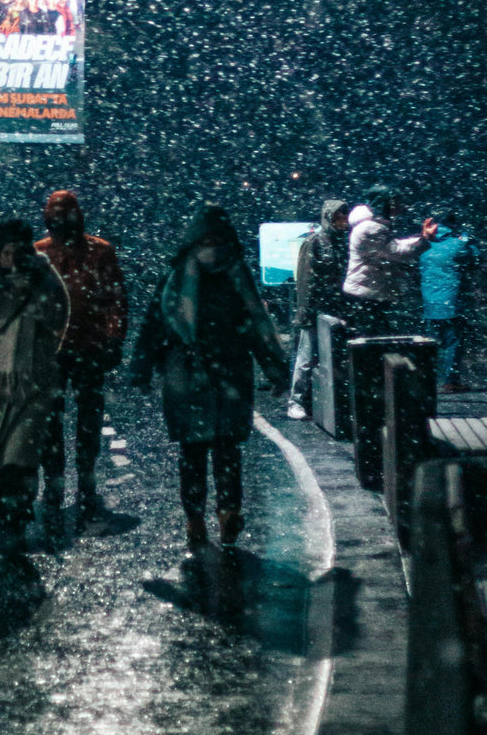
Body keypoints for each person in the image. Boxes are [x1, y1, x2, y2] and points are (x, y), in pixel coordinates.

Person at [132, 203, 287, 553]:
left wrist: (143, 366)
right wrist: (273, 367)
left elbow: (156, 325)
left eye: (216, 238)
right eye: (208, 238)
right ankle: (211, 515)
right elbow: (256, 326)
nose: (212, 245)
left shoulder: (181, 276)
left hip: (201, 373)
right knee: (209, 449)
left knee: (207, 449)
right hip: (209, 372)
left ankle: (210, 516)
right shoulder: (229, 274)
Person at [0, 219, 69, 561]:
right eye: (5, 251)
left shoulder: (43, 277)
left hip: (33, 380)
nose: (10, 257)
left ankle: (19, 518)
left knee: (20, 457)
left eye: (16, 251)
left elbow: (59, 315)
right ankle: (5, 521)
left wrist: (35, 331)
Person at [36, 190, 128, 538]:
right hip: (68, 349)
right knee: (66, 420)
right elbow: (116, 300)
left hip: (79, 347)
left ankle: (68, 483)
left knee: (66, 419)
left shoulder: (93, 252)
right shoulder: (43, 253)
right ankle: (70, 482)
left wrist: (114, 338)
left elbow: (115, 300)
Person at [342, 185, 436, 335]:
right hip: (366, 294)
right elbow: (396, 252)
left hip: (366, 291)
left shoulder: (371, 226)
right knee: (373, 340)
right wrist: (424, 240)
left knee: (372, 339)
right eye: (396, 202)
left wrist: (421, 238)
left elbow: (393, 245)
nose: (400, 206)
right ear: (385, 203)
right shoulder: (371, 228)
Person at [288, 199, 350, 419]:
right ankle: (296, 401)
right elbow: (305, 280)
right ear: (329, 217)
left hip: (335, 308)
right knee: (306, 356)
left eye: (345, 215)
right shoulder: (315, 242)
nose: (344, 220)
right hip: (316, 309)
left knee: (330, 357)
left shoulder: (341, 242)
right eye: (339, 216)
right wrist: (305, 311)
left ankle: (322, 401)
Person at [420, 208, 479, 393]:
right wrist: (468, 239)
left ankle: (426, 379)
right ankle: (450, 381)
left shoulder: (425, 246)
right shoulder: (459, 244)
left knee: (433, 342)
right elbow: (476, 259)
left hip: (430, 302)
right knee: (453, 341)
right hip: (452, 301)